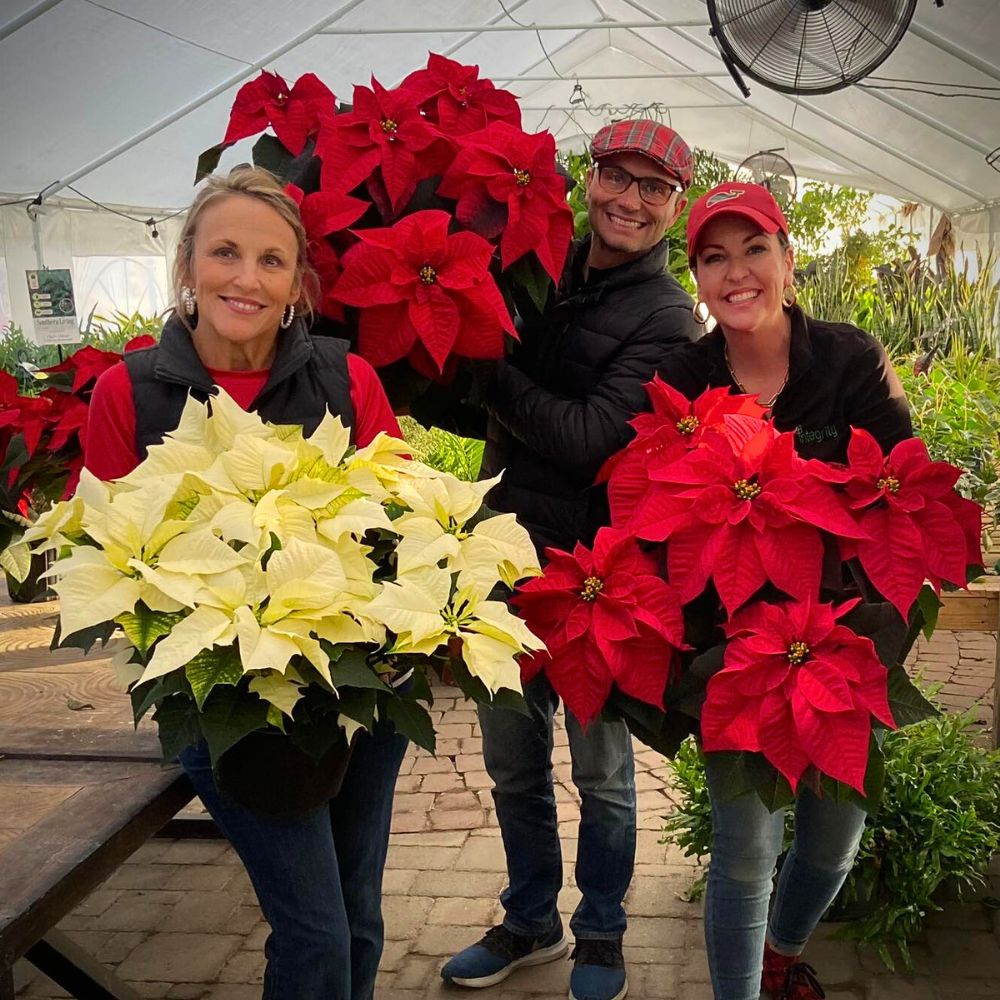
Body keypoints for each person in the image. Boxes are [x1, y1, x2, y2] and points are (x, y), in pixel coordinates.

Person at [85, 166, 406, 1000]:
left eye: (272, 260)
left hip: (355, 686)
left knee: (357, 915)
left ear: (297, 285)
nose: (247, 278)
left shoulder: (348, 380)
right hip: (224, 700)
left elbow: (398, 528)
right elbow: (111, 560)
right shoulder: (129, 394)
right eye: (225, 252)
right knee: (315, 933)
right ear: (188, 265)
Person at [427, 120, 699, 1000]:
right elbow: (484, 411)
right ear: (588, 179)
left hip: (594, 576)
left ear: (674, 207)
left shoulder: (667, 315)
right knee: (512, 763)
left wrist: (487, 366)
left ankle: (602, 932)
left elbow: (588, 440)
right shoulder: (534, 264)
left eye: (653, 188)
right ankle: (530, 920)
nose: (630, 199)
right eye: (617, 176)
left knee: (602, 774)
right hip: (503, 561)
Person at [658, 181, 912, 1000]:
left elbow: (899, 486)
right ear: (698, 278)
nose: (737, 272)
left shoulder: (849, 358)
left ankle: (781, 953)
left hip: (839, 644)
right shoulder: (684, 378)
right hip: (734, 653)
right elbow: (662, 513)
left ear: (789, 259)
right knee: (744, 854)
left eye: (754, 249)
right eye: (714, 257)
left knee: (835, 842)